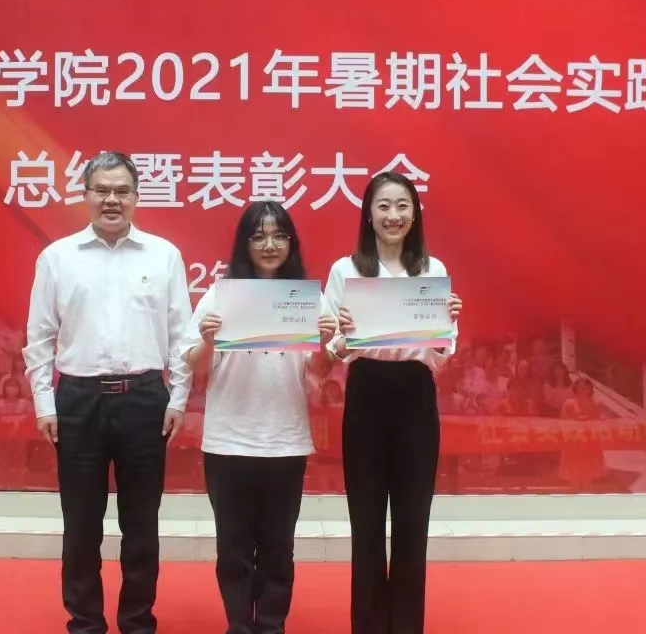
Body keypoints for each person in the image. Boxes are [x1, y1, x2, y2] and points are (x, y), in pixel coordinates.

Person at [23, 150, 193, 634]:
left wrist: (178, 397)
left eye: (122, 191)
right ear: (86, 196)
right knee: (81, 523)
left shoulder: (163, 255)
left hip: (145, 399)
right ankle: (85, 622)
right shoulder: (57, 258)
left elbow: (182, 335)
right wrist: (44, 403)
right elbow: (39, 337)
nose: (112, 200)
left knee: (141, 522)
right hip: (78, 401)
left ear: (136, 197)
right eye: (102, 190)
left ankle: (137, 621)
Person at [183, 201, 336, 634]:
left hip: (285, 442)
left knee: (278, 548)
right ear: (244, 243)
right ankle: (238, 624)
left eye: (279, 236)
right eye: (259, 236)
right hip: (228, 443)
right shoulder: (220, 296)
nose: (270, 245)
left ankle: (271, 624)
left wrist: (323, 343)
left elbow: (321, 371)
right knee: (233, 547)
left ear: (291, 242)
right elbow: (194, 364)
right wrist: (209, 341)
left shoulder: (306, 299)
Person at [324, 171, 462, 634]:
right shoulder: (346, 271)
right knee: (365, 522)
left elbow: (442, 351)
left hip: (415, 395)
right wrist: (342, 336)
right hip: (366, 391)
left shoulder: (433, 270)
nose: (393, 215)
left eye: (402, 206)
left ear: (415, 213)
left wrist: (445, 324)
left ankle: (405, 625)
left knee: (412, 520)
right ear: (369, 213)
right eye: (383, 206)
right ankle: (367, 624)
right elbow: (330, 349)